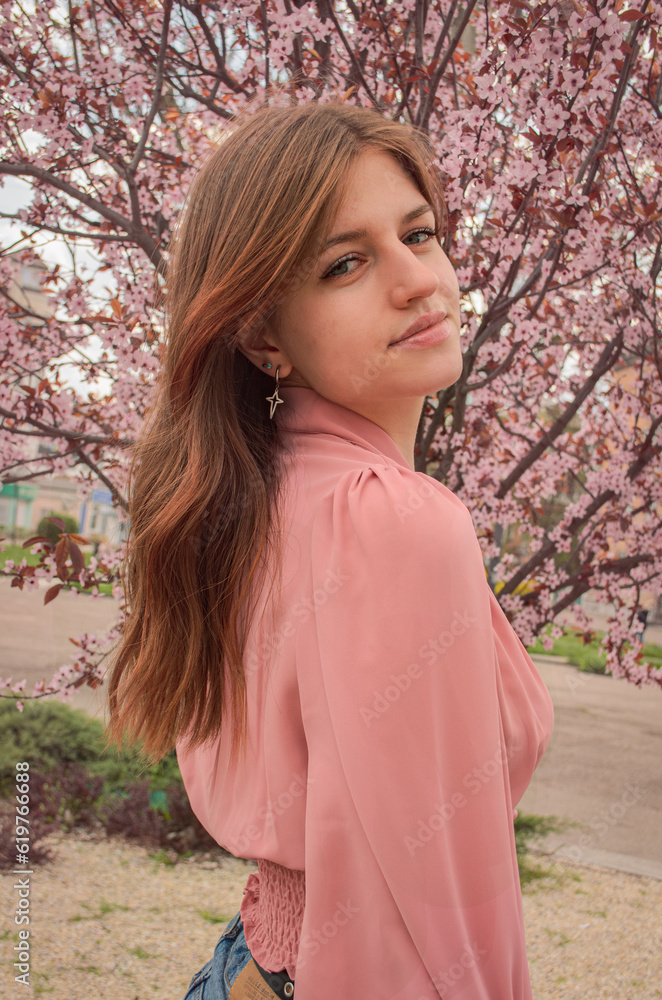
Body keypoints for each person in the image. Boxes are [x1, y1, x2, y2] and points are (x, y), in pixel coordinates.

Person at [105, 96, 555, 1000]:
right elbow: (412, 906)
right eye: (345, 263)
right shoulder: (391, 521)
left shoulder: (260, 491)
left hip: (249, 966)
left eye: (419, 234)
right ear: (264, 339)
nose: (417, 279)